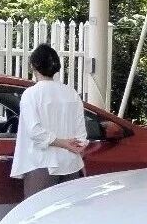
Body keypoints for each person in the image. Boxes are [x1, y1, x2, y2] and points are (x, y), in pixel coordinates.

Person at [10, 44, 88, 198]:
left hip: (41, 164)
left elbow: (35, 132)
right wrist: (73, 149)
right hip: (71, 164)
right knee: (69, 211)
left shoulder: (31, 94)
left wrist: (62, 143)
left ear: (33, 66)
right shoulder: (71, 93)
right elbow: (81, 135)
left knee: (38, 211)